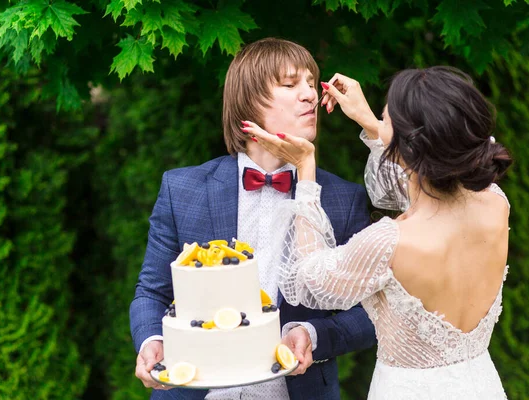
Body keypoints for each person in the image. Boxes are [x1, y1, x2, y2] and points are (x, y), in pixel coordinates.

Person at [242, 67, 513, 399]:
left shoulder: (389, 242)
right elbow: (420, 189)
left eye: (387, 122)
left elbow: (309, 278)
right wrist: (372, 123)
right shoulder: (495, 203)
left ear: (408, 146)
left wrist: (306, 173)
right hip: (480, 385)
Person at [130, 38, 377, 400]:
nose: (309, 95)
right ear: (248, 101)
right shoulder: (182, 189)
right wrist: (151, 339)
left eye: (311, 83)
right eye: (291, 84)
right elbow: (152, 290)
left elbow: (372, 312)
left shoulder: (343, 198)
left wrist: (312, 335)